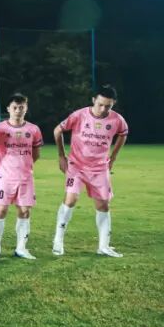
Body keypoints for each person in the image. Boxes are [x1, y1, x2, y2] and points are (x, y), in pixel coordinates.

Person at [52, 85, 128, 257]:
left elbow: (123, 134)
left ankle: (103, 246)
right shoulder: (79, 115)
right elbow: (58, 130)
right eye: (100, 104)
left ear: (113, 104)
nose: (103, 109)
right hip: (77, 166)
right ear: (94, 100)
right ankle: (58, 240)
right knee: (70, 199)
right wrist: (61, 156)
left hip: (100, 169)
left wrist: (113, 157)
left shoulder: (117, 120)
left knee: (103, 205)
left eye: (108, 106)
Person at [0, 93, 43, 260]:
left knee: (24, 211)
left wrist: (25, 166)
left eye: (21, 107)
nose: (18, 110)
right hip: (5, 177)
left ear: (26, 108)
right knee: (1, 210)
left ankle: (21, 248)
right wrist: (1, 167)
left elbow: (36, 153)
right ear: (8, 109)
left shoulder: (33, 129)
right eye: (15, 107)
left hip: (25, 177)